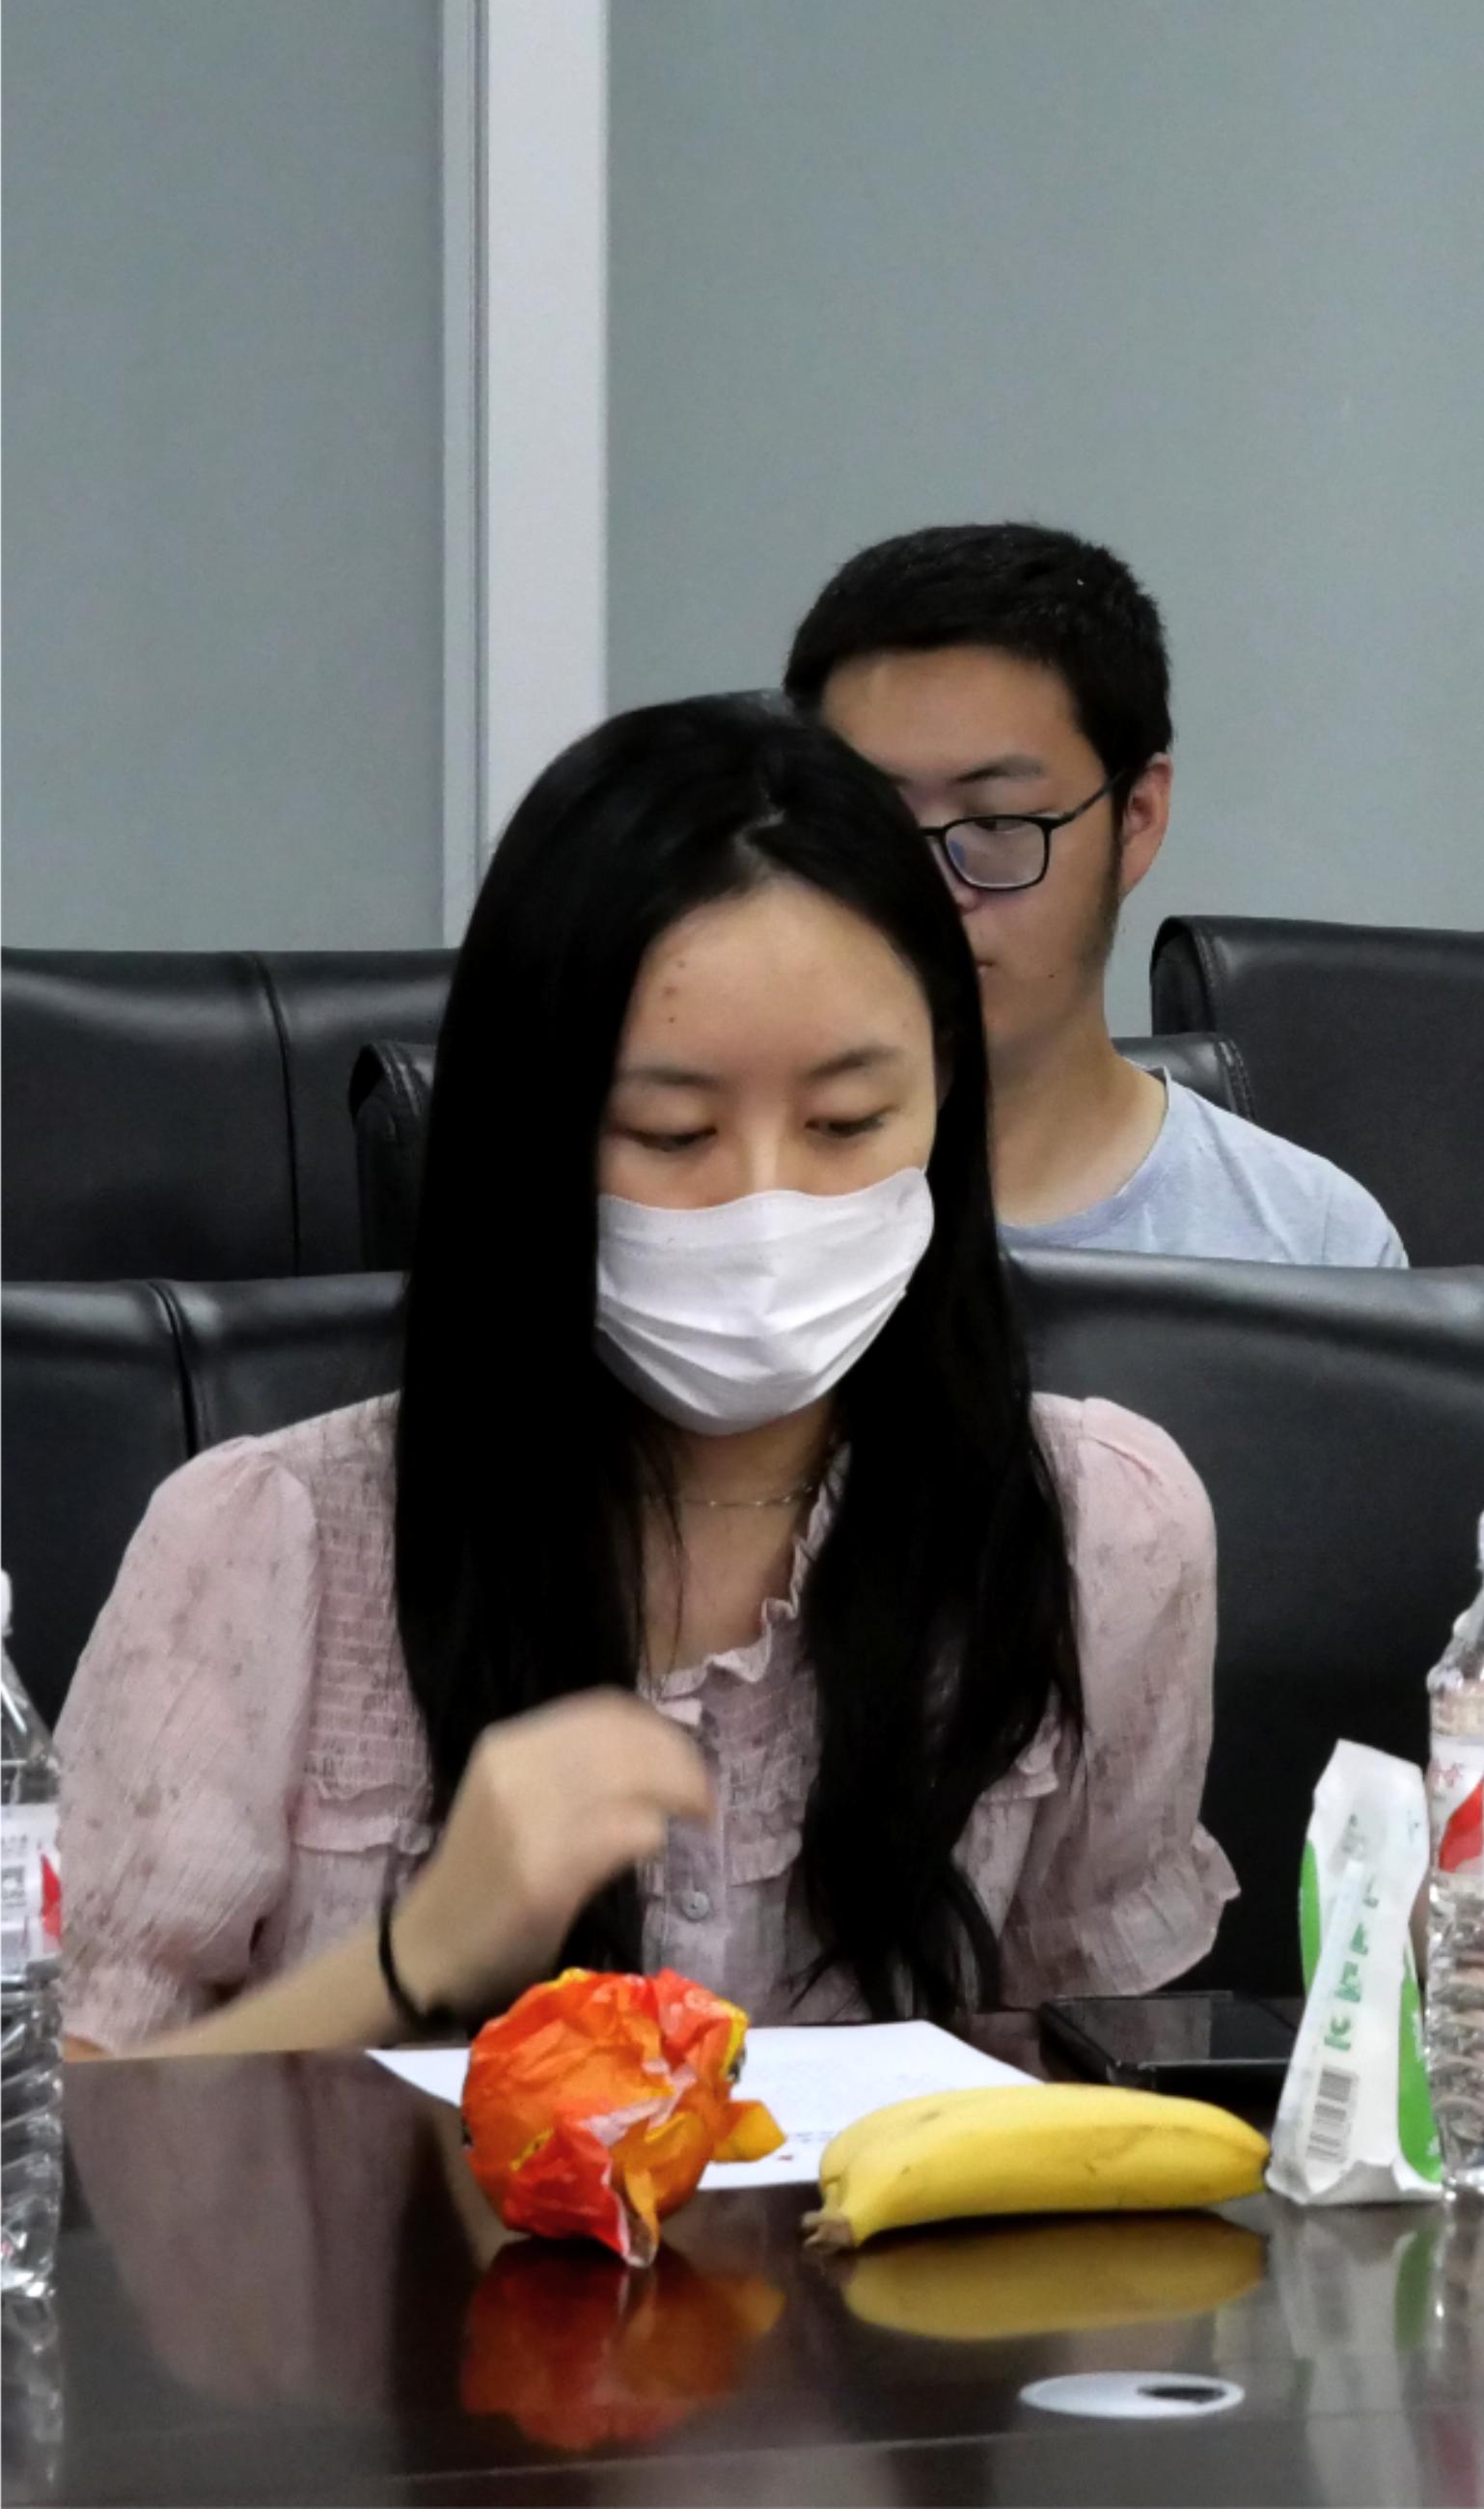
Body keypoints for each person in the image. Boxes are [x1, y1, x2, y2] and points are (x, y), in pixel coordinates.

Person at [56, 697, 1234, 2052]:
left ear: (945, 1094)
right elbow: (64, 2135)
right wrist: (416, 1952)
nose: (766, 1205)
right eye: (670, 1132)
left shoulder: (1099, 1530)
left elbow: (1098, 2080)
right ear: (529, 1136)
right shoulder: (264, 1548)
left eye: (848, 1120)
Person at [786, 522, 1404, 1267]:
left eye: (997, 821)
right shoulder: (727, 1207)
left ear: (1136, 817)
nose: (929, 893)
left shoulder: (1309, 1242)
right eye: (873, 820)